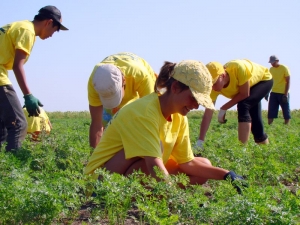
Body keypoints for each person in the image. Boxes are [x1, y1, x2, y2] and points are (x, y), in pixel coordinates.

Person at [85, 60, 246, 193]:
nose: (196, 106)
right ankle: (150, 194)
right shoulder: (145, 112)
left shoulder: (179, 117)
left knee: (204, 164)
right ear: (175, 88)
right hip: (102, 179)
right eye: (192, 98)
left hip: (135, 168)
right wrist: (179, 200)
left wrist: (227, 175)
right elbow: (154, 166)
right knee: (157, 153)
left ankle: (158, 194)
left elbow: (187, 162)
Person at [0, 5, 68, 152]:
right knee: (18, 124)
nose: (53, 34)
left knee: (3, 126)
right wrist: (28, 95)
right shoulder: (27, 31)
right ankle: (12, 171)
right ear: (48, 22)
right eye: (55, 30)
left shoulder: (19, 25)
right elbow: (18, 66)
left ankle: (2, 167)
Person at [196, 59, 273, 148]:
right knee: (256, 125)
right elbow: (207, 114)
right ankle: (267, 151)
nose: (212, 87)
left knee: (243, 105)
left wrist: (224, 108)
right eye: (210, 84)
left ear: (223, 75)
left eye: (214, 82)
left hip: (263, 80)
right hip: (248, 86)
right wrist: (200, 141)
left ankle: (241, 150)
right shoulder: (213, 88)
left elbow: (245, 94)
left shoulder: (238, 68)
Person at [88, 52, 157, 148]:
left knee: (137, 124)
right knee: (107, 121)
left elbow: (152, 117)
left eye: (114, 96)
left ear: (123, 81)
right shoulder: (95, 81)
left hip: (139, 85)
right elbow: (96, 123)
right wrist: (93, 158)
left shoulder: (141, 76)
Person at [267, 55, 291, 125]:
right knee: (271, 111)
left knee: (286, 110)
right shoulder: (271, 69)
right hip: (274, 92)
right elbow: (269, 81)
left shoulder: (284, 68)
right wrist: (267, 92)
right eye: (271, 62)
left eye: (273, 62)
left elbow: (288, 81)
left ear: (277, 61)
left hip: (283, 93)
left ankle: (287, 126)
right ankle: (270, 126)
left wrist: (286, 94)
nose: (272, 64)